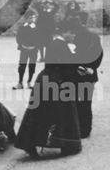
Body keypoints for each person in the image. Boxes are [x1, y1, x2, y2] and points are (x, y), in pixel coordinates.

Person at [15, 21, 82, 158]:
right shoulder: (59, 44)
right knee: (61, 113)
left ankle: (31, 144)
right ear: (65, 32)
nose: (74, 36)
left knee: (41, 113)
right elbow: (65, 66)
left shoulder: (56, 43)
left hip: (49, 80)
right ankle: (66, 145)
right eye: (72, 33)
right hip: (54, 82)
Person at [71, 11, 103, 137]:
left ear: (83, 22)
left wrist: (90, 68)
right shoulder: (73, 36)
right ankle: (80, 127)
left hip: (86, 74)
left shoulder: (93, 37)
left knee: (84, 102)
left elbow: (98, 55)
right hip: (77, 73)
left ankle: (85, 129)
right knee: (79, 102)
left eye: (78, 21)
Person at [14, 9, 39, 89]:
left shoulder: (36, 28)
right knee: (22, 66)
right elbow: (18, 38)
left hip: (33, 50)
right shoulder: (22, 27)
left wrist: (34, 46)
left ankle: (29, 81)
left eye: (34, 18)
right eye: (30, 18)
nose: (32, 19)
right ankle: (20, 82)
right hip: (24, 49)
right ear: (26, 18)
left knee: (32, 66)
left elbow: (39, 38)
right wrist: (22, 45)